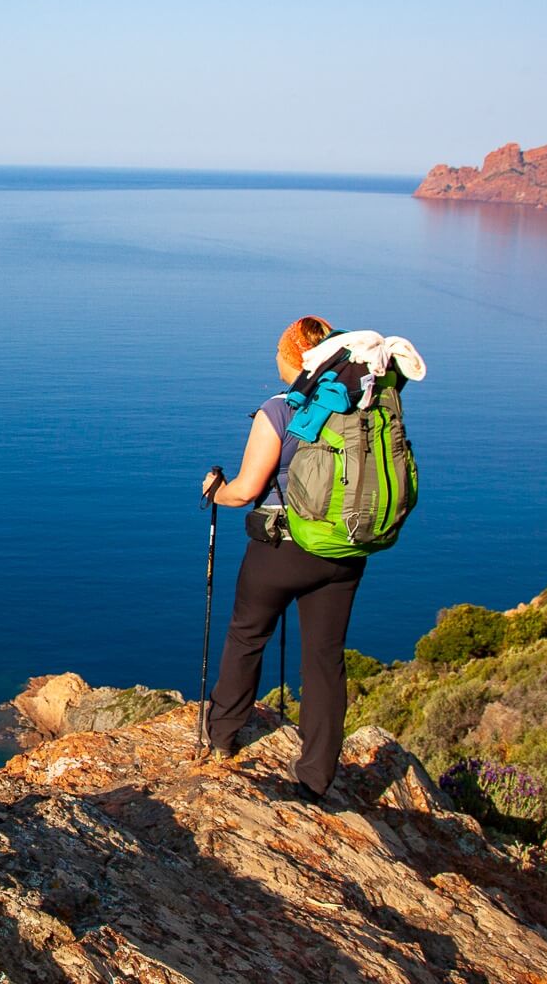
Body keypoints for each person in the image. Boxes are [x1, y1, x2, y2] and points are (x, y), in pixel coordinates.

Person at [200, 315, 364, 802]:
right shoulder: (360, 406)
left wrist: (217, 491)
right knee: (325, 660)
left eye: (278, 349)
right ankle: (315, 777)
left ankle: (223, 736)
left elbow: (247, 489)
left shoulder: (281, 409)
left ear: (293, 357)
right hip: (343, 549)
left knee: (248, 634)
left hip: (283, 548)